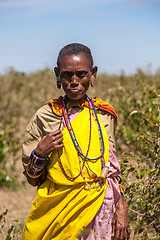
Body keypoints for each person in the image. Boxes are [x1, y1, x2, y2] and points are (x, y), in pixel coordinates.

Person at [21, 43, 130, 240]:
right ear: (57, 74)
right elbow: (32, 178)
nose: (74, 81)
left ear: (93, 73)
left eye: (81, 74)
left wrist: (121, 205)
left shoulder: (104, 114)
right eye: (66, 75)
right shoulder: (46, 116)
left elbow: (111, 169)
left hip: (101, 210)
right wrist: (39, 153)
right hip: (57, 212)